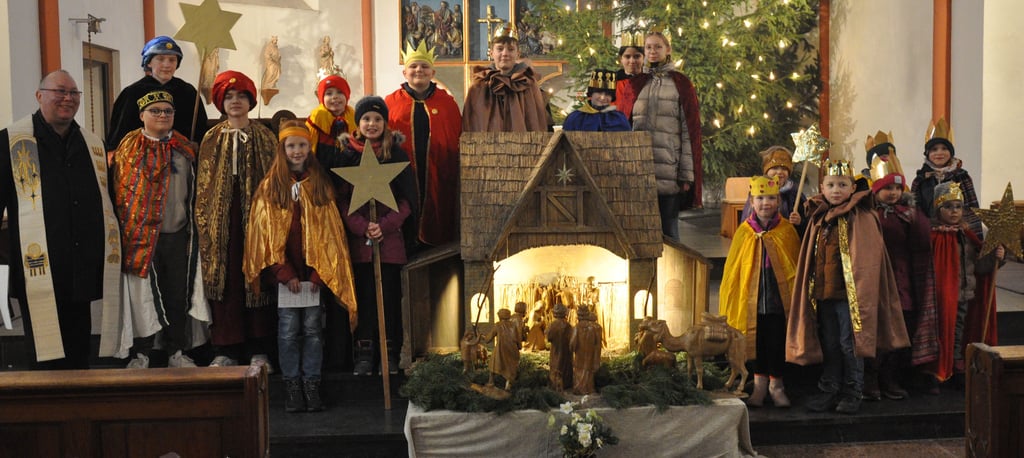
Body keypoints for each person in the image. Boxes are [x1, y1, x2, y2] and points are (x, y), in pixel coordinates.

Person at [0, 70, 121, 369]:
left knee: (80, 350)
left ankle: (79, 410)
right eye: (60, 91)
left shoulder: (92, 143)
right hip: (38, 264)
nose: (68, 99)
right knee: (45, 355)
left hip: (80, 264)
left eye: (74, 93)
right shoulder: (12, 141)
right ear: (40, 95)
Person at [243, 120, 358, 412]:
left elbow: (331, 235)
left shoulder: (319, 184)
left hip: (313, 277)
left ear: (310, 148)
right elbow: (265, 236)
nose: (297, 151)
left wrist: (319, 275)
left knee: (313, 331)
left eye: (302, 145)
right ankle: (293, 386)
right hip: (287, 279)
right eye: (291, 146)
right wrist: (284, 274)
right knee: (287, 331)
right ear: (282, 149)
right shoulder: (272, 187)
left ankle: (312, 384)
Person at [786, 159, 909, 414]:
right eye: (831, 185)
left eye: (842, 185)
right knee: (829, 342)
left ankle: (853, 390)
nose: (836, 190)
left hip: (850, 297)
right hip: (824, 292)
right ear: (822, 186)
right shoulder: (819, 216)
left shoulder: (862, 216)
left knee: (849, 342)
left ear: (853, 188)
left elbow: (868, 260)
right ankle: (829, 388)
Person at [110, 90, 207, 369]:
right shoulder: (129, 148)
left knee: (177, 294)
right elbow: (121, 191)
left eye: (168, 111)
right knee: (144, 296)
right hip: (140, 237)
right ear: (142, 115)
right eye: (156, 111)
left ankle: (176, 350)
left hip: (178, 235)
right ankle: (142, 352)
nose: (163, 116)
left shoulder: (184, 148)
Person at [331, 96, 418, 376]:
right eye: (366, 119)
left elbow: (407, 201)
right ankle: (364, 355)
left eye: (377, 119)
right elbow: (341, 201)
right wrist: (362, 227)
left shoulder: (397, 154)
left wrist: (385, 225)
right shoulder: (347, 155)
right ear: (359, 122)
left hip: (389, 242)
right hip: (360, 245)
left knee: (390, 301)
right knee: (365, 300)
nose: (372, 124)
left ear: (385, 122)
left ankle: (389, 354)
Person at [196, 71, 277, 369]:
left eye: (241, 96)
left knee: (256, 280)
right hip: (220, 222)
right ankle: (225, 348)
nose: (235, 102)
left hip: (255, 220)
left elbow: (273, 179)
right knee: (226, 281)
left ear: (250, 101)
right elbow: (203, 185)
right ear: (221, 103)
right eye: (229, 97)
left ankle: (259, 348)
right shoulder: (211, 137)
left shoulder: (264, 137)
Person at [720, 176, 800, 408]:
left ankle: (777, 387)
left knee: (776, 343)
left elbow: (794, 265)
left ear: (778, 201)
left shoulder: (786, 231)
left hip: (777, 302)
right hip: (752, 303)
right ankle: (759, 386)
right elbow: (734, 271)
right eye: (760, 198)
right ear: (752, 202)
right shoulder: (744, 232)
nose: (766, 203)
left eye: (771, 198)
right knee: (756, 344)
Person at [617, 31, 704, 240]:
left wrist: (686, 174)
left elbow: (689, 131)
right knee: (639, 234)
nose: (652, 51)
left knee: (670, 232)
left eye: (657, 47)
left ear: (668, 50)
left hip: (668, 170)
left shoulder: (681, 83)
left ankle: (673, 274)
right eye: (648, 47)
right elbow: (623, 126)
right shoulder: (636, 83)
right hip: (639, 170)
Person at [866, 147, 937, 401]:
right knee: (878, 331)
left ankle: (890, 376)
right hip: (880, 282)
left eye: (898, 188)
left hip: (904, 282)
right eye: (888, 188)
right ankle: (872, 377)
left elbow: (922, 242)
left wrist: (913, 219)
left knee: (902, 329)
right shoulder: (870, 215)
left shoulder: (911, 213)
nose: (893, 193)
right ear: (877, 190)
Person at [385, 40, 462, 247]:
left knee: (439, 220)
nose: (419, 70)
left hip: (438, 174)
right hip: (402, 174)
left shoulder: (447, 103)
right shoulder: (390, 103)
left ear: (432, 72)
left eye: (424, 66)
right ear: (405, 73)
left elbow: (456, 139)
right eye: (413, 66)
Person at [927, 181, 1003, 391]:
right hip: (940, 297)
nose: (954, 212)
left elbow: (980, 266)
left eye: (958, 207)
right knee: (940, 334)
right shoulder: (933, 236)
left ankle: (956, 369)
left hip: (964, 294)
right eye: (948, 207)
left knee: (958, 333)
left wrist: (998, 257)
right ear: (938, 209)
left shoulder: (966, 236)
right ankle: (937, 372)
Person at [106, 35, 208, 149]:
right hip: (141, 159)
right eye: (160, 59)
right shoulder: (132, 93)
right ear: (149, 62)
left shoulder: (188, 92)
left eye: (172, 60)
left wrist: (197, 144)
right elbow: (119, 133)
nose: (167, 64)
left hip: (180, 157)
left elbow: (201, 129)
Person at [462, 22, 550, 132]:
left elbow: (536, 123)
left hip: (522, 146)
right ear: (491, 53)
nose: (505, 53)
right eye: (500, 49)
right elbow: (470, 123)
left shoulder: (527, 84)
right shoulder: (479, 86)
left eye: (511, 49)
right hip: (487, 147)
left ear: (518, 53)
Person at [911, 117, 982, 237]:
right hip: (929, 235)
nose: (939, 153)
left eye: (944, 148)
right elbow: (915, 211)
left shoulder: (962, 177)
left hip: (958, 235)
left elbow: (972, 209)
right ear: (928, 154)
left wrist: (974, 237)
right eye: (934, 149)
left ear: (951, 153)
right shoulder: (920, 180)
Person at [740, 146, 806, 236]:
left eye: (784, 169)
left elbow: (807, 222)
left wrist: (800, 222)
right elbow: (747, 219)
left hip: (786, 240)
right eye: (775, 168)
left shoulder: (794, 194)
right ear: (766, 171)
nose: (779, 172)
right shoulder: (757, 191)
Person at [562, 70, 631, 132]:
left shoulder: (619, 119)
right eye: (599, 92)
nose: (602, 97)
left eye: (608, 94)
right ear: (591, 94)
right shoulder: (575, 118)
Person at [306, 74, 357, 156]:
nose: (335, 97)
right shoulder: (315, 121)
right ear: (322, 98)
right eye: (329, 94)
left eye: (340, 92)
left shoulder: (355, 120)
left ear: (347, 96)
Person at [483, 308, 522, 390]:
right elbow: (518, 337)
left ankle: (491, 381)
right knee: (510, 364)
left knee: (493, 362)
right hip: (512, 348)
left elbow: (488, 338)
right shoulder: (513, 325)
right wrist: (519, 346)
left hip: (501, 348)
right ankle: (508, 381)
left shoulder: (498, 325)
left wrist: (482, 337)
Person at [570, 305, 602, 395]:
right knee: (589, 370)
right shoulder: (593, 328)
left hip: (580, 354)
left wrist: (572, 349)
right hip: (590, 354)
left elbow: (573, 343)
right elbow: (597, 343)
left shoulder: (577, 327)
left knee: (579, 370)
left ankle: (579, 389)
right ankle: (589, 388)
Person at [613, 31, 644, 120]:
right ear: (621, 59)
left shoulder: (650, 81)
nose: (632, 61)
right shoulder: (613, 82)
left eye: (637, 56)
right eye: (627, 56)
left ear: (644, 58)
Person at [546, 303, 573, 391]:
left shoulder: (553, 325)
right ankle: (566, 383)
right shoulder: (568, 325)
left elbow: (549, 337)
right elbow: (572, 337)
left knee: (556, 365)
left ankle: (556, 384)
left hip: (556, 349)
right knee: (566, 365)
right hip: (566, 349)